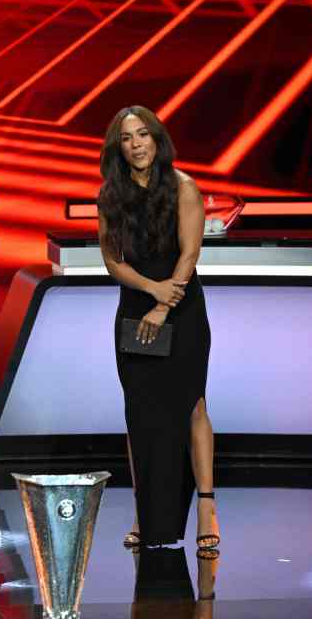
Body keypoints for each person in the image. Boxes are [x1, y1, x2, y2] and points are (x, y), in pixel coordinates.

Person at [96, 105, 220, 550]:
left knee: (192, 406)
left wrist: (166, 303)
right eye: (127, 138)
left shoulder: (185, 188)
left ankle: (206, 507)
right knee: (141, 416)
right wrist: (152, 291)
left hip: (182, 309)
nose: (136, 145)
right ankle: (145, 512)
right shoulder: (110, 195)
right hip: (136, 308)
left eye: (143, 135)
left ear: (157, 139)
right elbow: (112, 261)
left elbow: (189, 254)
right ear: (118, 148)